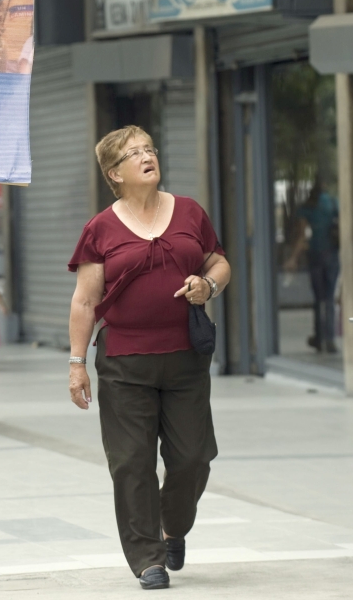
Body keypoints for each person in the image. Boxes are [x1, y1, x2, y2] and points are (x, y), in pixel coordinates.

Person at [67, 126, 231, 590]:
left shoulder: (190, 213)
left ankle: (171, 526)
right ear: (114, 174)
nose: (147, 157)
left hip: (185, 358)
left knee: (194, 458)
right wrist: (76, 363)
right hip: (124, 362)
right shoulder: (101, 229)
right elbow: (84, 301)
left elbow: (218, 261)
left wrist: (208, 285)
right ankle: (146, 558)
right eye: (133, 153)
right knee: (131, 462)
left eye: (150, 149)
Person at [286, 178, 340, 354]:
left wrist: (293, 258)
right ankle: (330, 339)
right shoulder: (333, 203)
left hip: (316, 256)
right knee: (330, 299)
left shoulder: (307, 208)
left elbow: (302, 237)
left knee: (319, 299)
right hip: (332, 255)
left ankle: (319, 337)